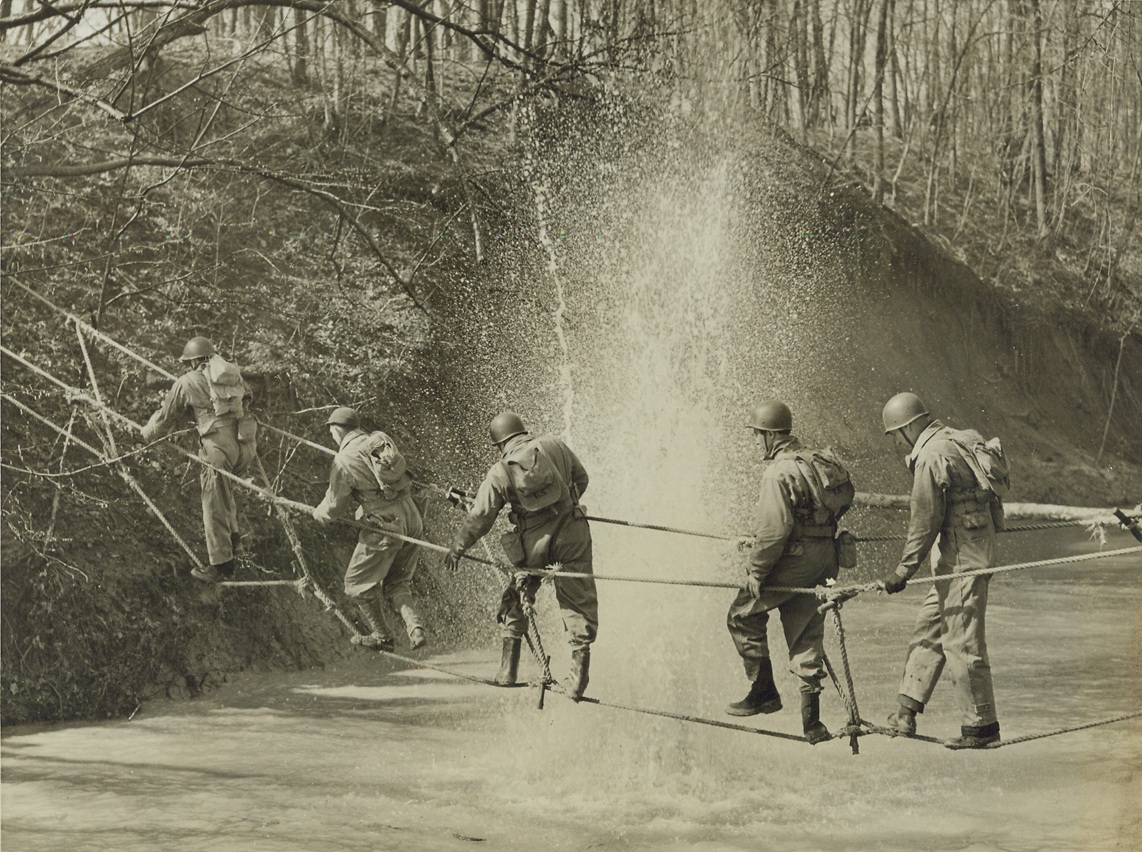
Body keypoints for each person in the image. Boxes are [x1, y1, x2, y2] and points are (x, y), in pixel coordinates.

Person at [726, 400, 854, 746]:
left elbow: (773, 531)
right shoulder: (815, 460)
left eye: (757, 436)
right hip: (826, 557)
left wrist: (756, 570)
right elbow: (844, 499)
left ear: (769, 436)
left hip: (795, 559)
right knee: (806, 632)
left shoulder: (777, 472)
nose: (756, 443)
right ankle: (812, 723)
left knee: (741, 613)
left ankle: (763, 691)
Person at [444, 412, 597, 699]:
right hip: (573, 532)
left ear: (499, 444)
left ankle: (507, 671)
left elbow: (481, 516)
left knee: (517, 594)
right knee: (578, 598)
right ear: (523, 432)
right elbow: (582, 478)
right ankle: (577, 680)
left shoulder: (500, 470)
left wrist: (458, 548)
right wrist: (565, 505)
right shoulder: (555, 445)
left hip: (535, 544)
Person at [879, 392, 1002, 750]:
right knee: (930, 627)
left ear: (907, 427)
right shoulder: (964, 437)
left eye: (896, 435)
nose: (897, 443)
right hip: (966, 553)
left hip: (964, 560)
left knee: (961, 641)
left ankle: (982, 729)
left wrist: (902, 571)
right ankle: (905, 713)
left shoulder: (931, 455)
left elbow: (924, 520)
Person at [141, 336, 257, 582]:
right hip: (245, 446)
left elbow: (165, 418)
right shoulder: (232, 375)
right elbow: (249, 397)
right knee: (226, 492)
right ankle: (235, 542)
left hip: (218, 448)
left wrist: (144, 435)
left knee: (212, 503)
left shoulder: (187, 381)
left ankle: (221, 565)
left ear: (193, 362)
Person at [312, 407, 426, 653]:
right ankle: (415, 628)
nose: (331, 435)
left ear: (336, 429)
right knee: (397, 582)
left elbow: (333, 506)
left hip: (385, 525)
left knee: (356, 583)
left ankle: (383, 636)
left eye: (331, 430)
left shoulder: (343, 460)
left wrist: (317, 514)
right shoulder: (377, 441)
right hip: (411, 517)